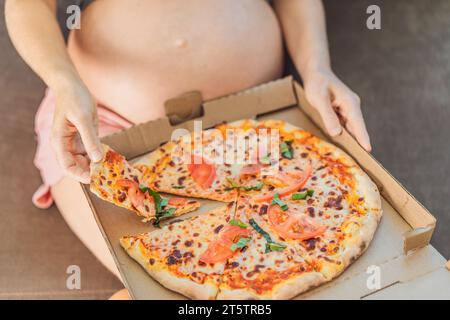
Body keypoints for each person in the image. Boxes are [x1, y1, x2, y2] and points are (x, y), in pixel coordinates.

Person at [5, 0, 371, 299]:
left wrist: (317, 69)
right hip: (103, 121)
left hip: (255, 112)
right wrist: (62, 80)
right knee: (151, 283)